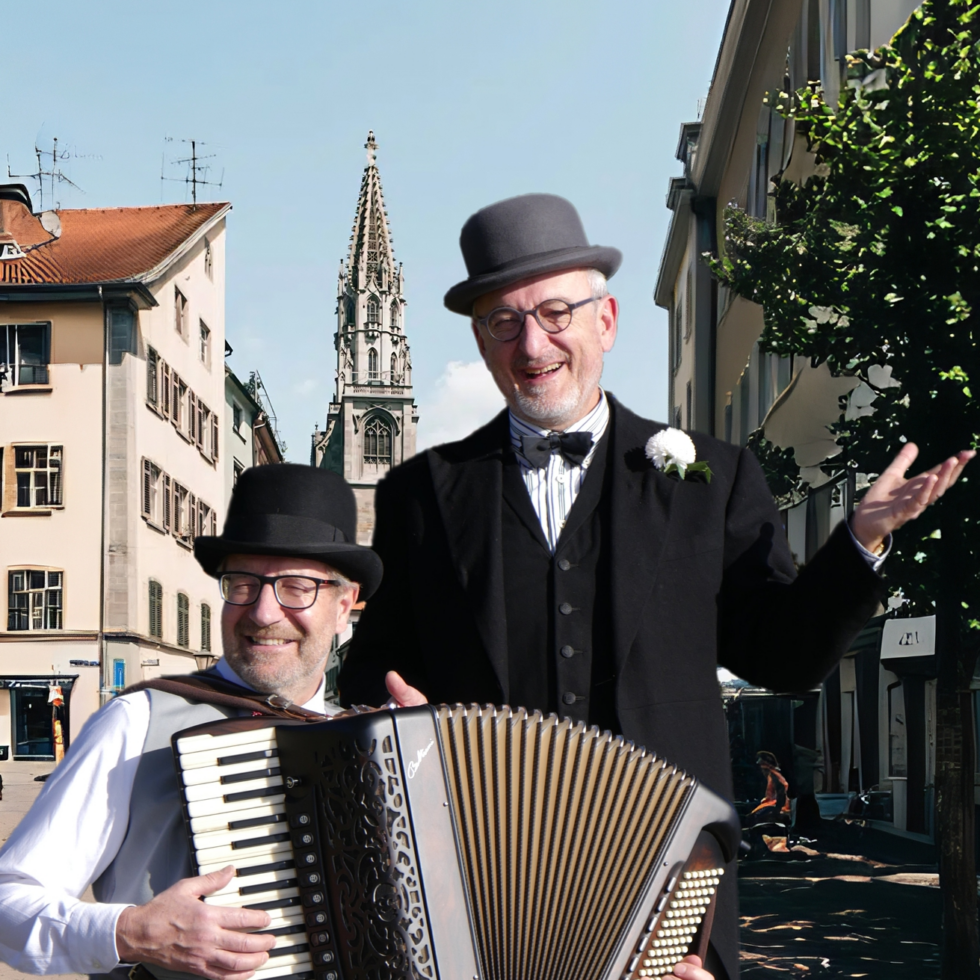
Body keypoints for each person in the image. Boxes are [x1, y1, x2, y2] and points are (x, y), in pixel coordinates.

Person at [338, 193, 974, 980]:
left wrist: (858, 542)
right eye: (504, 321)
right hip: (480, 885)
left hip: (671, 879)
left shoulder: (712, 476)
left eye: (555, 312)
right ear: (481, 338)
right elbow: (371, 664)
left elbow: (782, 656)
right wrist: (388, 708)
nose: (533, 343)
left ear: (604, 322)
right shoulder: (422, 494)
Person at [0, 464, 396, 980]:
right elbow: (9, 903)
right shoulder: (137, 722)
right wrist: (131, 933)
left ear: (344, 608)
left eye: (297, 588)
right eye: (243, 584)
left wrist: (421, 761)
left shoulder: (366, 742)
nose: (263, 612)